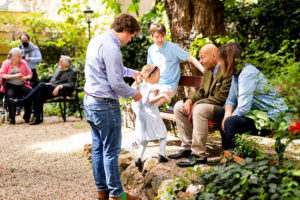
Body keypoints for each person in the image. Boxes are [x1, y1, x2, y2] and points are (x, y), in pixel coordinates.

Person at [83, 14, 142, 200]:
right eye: (131, 35)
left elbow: (115, 69)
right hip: (105, 104)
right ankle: (117, 195)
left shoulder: (97, 40)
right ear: (125, 30)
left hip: (90, 102)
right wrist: (135, 94)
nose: (131, 39)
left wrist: (133, 73)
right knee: (111, 151)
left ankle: (102, 191)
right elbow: (116, 83)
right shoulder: (112, 48)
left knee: (98, 148)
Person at [216, 42, 289, 161]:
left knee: (231, 122)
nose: (220, 63)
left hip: (275, 118)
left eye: (221, 60)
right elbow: (230, 100)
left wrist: (228, 120)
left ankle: (238, 159)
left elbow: (244, 108)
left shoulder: (247, 73)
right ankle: (228, 154)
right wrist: (227, 114)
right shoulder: (236, 74)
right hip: (260, 115)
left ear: (228, 59)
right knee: (221, 113)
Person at [167, 44, 232, 167]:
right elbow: (201, 92)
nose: (200, 61)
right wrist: (190, 101)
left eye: (203, 57)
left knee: (199, 109)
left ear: (214, 56)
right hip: (206, 105)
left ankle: (199, 155)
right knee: (179, 106)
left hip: (221, 108)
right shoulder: (208, 70)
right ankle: (187, 148)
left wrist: (198, 103)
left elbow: (223, 97)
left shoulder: (226, 70)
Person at [147, 23, 204, 106]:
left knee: (150, 107)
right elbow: (149, 70)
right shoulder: (151, 50)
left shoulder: (173, 47)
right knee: (140, 102)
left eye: (162, 36)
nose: (160, 40)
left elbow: (190, 58)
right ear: (152, 36)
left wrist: (204, 71)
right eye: (157, 37)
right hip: (156, 86)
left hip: (169, 87)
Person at [9, 55, 76, 125]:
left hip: (61, 91)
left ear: (65, 63)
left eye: (61, 61)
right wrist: (48, 84)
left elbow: (71, 84)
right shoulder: (58, 70)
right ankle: (38, 118)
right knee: (39, 93)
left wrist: (60, 86)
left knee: (41, 85)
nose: (59, 62)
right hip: (51, 88)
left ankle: (23, 101)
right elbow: (52, 82)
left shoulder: (72, 72)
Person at [132, 64, 171, 170]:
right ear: (152, 75)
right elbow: (151, 99)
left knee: (145, 137)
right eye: (158, 74)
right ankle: (162, 155)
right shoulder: (154, 87)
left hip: (141, 115)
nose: (159, 76)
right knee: (163, 134)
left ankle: (139, 158)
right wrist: (162, 96)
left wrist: (136, 81)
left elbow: (133, 92)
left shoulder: (140, 86)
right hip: (152, 114)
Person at [0, 48, 32, 124]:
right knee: (10, 96)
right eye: (18, 56)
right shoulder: (6, 63)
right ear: (13, 57)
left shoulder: (23, 63)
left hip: (21, 84)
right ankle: (12, 118)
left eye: (20, 56)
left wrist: (25, 78)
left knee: (30, 93)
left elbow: (30, 74)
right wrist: (14, 75)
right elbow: (2, 75)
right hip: (10, 85)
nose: (20, 58)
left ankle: (27, 116)